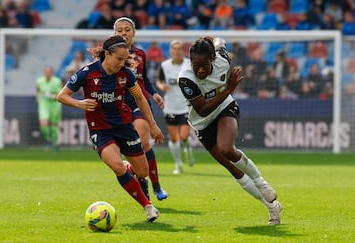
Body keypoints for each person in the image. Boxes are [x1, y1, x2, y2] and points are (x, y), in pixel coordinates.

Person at [57, 35, 163, 223]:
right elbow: (62, 96)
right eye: (119, 59)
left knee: (143, 172)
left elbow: (140, 98)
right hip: (100, 130)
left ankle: (129, 167)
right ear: (107, 54)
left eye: (125, 59)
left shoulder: (126, 75)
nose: (122, 63)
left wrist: (153, 125)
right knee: (116, 166)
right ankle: (148, 206)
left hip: (124, 127)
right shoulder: (86, 73)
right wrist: (80, 104)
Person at [178, 37, 283, 225]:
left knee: (226, 148)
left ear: (213, 58)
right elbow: (202, 109)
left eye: (204, 64)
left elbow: (220, 42)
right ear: (190, 61)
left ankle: (261, 182)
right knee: (233, 169)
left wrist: (213, 39)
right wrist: (229, 89)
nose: (200, 70)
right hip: (202, 121)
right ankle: (272, 207)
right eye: (196, 65)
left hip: (225, 108)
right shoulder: (185, 79)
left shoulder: (223, 59)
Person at [113, 17, 168, 201]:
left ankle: (157, 185)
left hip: (139, 102)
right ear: (115, 33)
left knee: (144, 142)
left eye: (127, 29)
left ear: (133, 32)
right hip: (119, 105)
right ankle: (141, 181)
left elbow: (143, 78)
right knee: (128, 148)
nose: (123, 33)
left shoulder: (140, 54)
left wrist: (153, 93)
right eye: (119, 30)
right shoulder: (108, 55)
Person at [156, 39, 195, 174]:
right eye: (174, 48)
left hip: (186, 106)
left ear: (183, 51)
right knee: (174, 138)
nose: (177, 51)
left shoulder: (189, 64)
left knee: (184, 137)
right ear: (171, 51)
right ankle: (178, 165)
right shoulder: (165, 66)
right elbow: (159, 80)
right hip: (170, 106)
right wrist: (162, 86)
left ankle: (188, 150)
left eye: (179, 48)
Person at [36, 66, 63, 151]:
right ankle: (48, 140)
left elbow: (61, 93)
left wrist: (52, 96)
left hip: (55, 104)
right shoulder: (40, 81)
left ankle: (55, 143)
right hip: (44, 104)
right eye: (46, 72)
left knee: (54, 125)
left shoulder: (57, 81)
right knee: (43, 124)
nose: (47, 73)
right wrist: (38, 99)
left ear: (52, 73)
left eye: (49, 72)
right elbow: (37, 89)